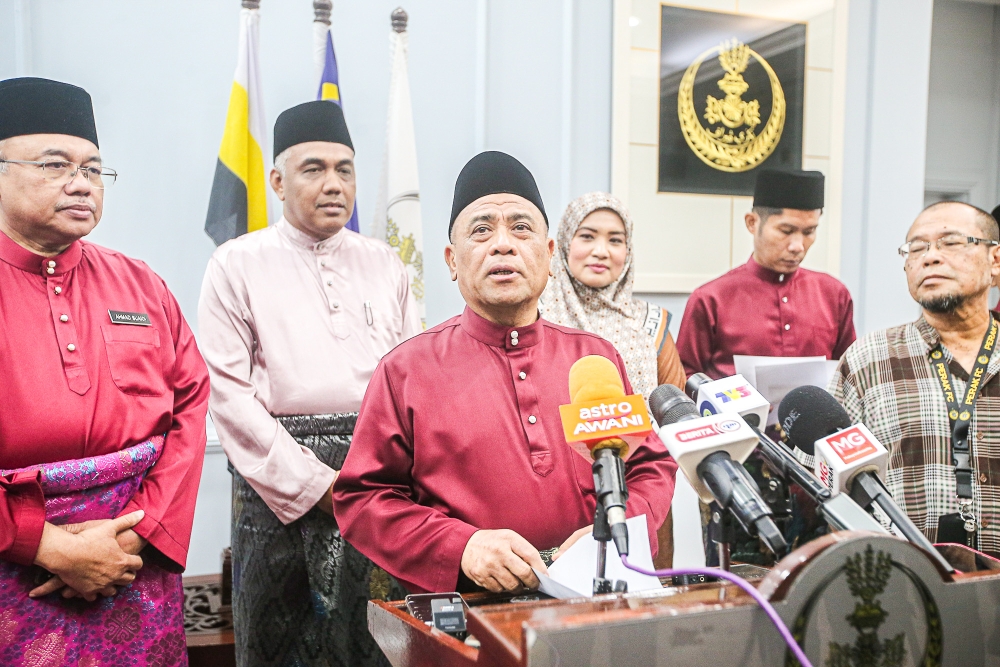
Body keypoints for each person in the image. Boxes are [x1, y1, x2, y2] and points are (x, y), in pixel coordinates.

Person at [333, 151, 677, 595]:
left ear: (549, 255)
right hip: (468, 615)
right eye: (481, 230)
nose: (503, 244)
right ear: (452, 260)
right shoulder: (405, 371)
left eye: (521, 228)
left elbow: (649, 467)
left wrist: (614, 531)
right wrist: (462, 547)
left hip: (591, 604)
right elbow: (363, 499)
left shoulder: (594, 360)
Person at [199, 101, 420, 666]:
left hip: (377, 478)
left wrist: (377, 479)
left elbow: (415, 382)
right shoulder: (235, 264)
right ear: (277, 180)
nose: (333, 184)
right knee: (283, 646)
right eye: (313, 169)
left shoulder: (386, 264)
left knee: (378, 645)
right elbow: (227, 398)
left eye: (344, 169)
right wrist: (317, 486)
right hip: (276, 489)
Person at [0, 77, 209, 665]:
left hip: (131, 564)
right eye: (53, 165)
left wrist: (131, 537)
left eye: (93, 170)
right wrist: (44, 545)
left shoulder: (139, 283)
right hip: (16, 569)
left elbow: (190, 408)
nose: (80, 183)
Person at [830, 201, 1000, 558]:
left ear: (995, 262)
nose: (930, 257)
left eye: (951, 243)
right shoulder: (868, 361)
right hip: (909, 588)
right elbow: (831, 489)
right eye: (917, 247)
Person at [538, 191, 684, 567]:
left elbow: (671, 418)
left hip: (637, 499)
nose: (601, 250)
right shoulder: (535, 318)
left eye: (615, 240)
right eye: (587, 236)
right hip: (557, 499)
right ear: (562, 244)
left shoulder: (652, 325)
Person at [676, 169, 856, 379]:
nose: (798, 246)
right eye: (786, 231)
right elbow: (684, 378)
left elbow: (849, 373)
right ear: (753, 223)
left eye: (809, 232)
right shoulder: (711, 299)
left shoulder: (834, 294)